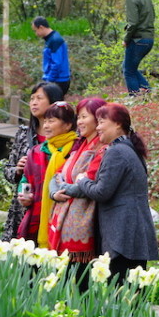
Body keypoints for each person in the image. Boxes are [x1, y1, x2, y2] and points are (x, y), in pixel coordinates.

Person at [65, 103, 159, 283]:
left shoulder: (116, 152)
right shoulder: (130, 149)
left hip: (122, 235)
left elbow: (101, 192)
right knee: (133, 290)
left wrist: (82, 180)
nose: (98, 127)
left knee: (121, 292)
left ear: (117, 124)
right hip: (134, 232)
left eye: (101, 122)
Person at [47, 98, 108, 291]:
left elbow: (89, 182)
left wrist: (63, 187)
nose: (79, 122)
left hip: (83, 221)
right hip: (64, 215)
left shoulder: (101, 147)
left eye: (84, 117)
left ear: (98, 119)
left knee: (79, 282)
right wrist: (54, 192)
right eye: (78, 117)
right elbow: (58, 174)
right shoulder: (80, 145)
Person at [1, 82, 64, 242]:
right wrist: (18, 169)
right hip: (24, 207)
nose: (34, 102)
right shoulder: (23, 134)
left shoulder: (67, 137)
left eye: (39, 98)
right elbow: (7, 170)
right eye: (31, 98)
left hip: (54, 205)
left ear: (53, 102)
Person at [17, 101, 78, 247]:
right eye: (45, 121)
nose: (46, 126)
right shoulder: (37, 152)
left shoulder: (78, 150)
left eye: (51, 121)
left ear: (68, 125)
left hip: (70, 218)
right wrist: (24, 195)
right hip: (40, 216)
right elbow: (26, 180)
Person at [112, 0, 155, 96]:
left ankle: (135, 100)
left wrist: (126, 39)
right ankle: (148, 93)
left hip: (138, 40)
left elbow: (133, 22)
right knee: (129, 68)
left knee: (128, 71)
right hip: (149, 38)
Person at [31, 16, 71, 95]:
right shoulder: (50, 39)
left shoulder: (55, 40)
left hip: (58, 80)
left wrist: (49, 81)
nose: (36, 34)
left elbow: (56, 63)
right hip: (54, 79)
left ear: (41, 27)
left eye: (36, 31)